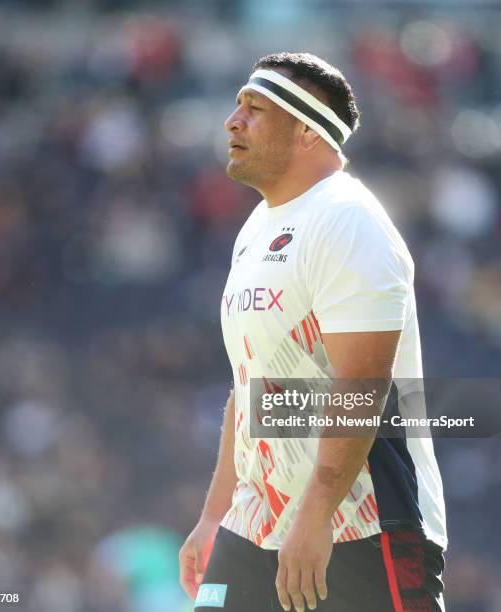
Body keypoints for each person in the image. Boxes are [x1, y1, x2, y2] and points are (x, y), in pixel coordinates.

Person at [179, 52, 447, 612]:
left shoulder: (348, 219)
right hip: (256, 523)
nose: (233, 121)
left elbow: (362, 385)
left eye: (254, 109)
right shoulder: (256, 227)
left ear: (306, 131)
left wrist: (316, 515)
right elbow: (252, 385)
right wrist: (216, 513)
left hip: (363, 525)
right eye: (237, 106)